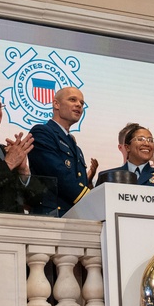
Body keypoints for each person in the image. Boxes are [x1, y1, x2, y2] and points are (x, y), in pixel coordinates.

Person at [28, 86, 98, 216]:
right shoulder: (42, 132)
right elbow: (57, 173)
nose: (78, 105)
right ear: (56, 104)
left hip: (74, 215)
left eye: (82, 103)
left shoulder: (76, 148)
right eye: (72, 100)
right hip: (51, 215)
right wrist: (92, 201)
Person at [97, 123, 154, 188]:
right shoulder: (107, 177)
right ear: (127, 147)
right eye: (140, 139)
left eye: (150, 140)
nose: (147, 143)